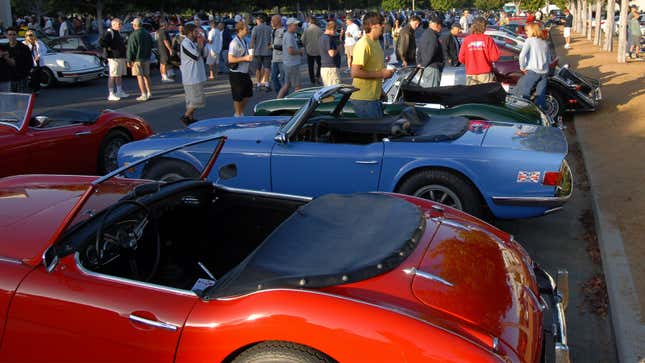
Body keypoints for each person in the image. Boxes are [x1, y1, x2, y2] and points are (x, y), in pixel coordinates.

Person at [350, 12, 394, 119]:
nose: (383, 26)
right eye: (381, 24)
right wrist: (382, 74)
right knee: (374, 134)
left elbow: (373, 68)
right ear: (372, 26)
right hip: (364, 100)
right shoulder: (364, 44)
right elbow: (355, 72)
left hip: (373, 98)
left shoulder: (376, 42)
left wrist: (381, 91)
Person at [513, 22, 551, 110]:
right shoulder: (544, 41)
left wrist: (522, 67)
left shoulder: (530, 40)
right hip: (544, 73)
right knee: (540, 96)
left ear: (533, 30)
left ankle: (524, 113)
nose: (526, 32)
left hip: (533, 71)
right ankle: (543, 115)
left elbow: (522, 55)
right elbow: (549, 58)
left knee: (523, 94)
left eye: (527, 30)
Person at [179, 23, 208, 126]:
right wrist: (200, 46)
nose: (198, 34)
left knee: (191, 100)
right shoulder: (185, 43)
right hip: (191, 77)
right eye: (196, 32)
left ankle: (190, 118)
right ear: (190, 32)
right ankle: (186, 116)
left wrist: (201, 44)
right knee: (197, 100)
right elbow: (195, 56)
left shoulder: (192, 43)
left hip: (196, 76)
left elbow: (203, 55)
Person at [458, 17, 500, 85]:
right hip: (485, 73)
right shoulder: (488, 39)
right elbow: (495, 57)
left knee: (472, 95)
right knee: (485, 94)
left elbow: (461, 58)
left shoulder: (467, 40)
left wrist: (470, 62)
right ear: (484, 27)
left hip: (471, 74)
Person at [227, 21, 253, 117]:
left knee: (248, 93)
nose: (248, 31)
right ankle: (238, 114)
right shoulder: (234, 43)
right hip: (236, 73)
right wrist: (245, 58)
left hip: (244, 71)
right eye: (246, 29)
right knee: (238, 95)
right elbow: (230, 59)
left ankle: (239, 112)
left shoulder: (244, 40)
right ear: (240, 30)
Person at [126, 17, 153, 101]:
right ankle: (149, 93)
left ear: (134, 25)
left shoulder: (133, 35)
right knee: (146, 76)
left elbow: (131, 48)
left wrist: (129, 60)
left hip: (137, 59)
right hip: (146, 57)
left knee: (139, 77)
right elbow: (151, 45)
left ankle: (143, 94)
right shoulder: (147, 33)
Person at [278, 18, 304, 99]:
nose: (296, 26)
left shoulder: (288, 34)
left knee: (287, 85)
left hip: (288, 63)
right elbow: (290, 51)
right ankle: (297, 104)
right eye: (295, 25)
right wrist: (300, 51)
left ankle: (278, 101)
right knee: (298, 87)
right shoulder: (289, 36)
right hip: (292, 64)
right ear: (289, 26)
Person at [416, 17, 444, 88]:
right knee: (432, 92)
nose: (441, 28)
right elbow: (431, 52)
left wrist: (420, 63)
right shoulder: (432, 36)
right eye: (441, 26)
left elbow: (419, 50)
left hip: (427, 66)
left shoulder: (425, 34)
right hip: (432, 67)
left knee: (427, 89)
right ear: (437, 25)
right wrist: (423, 64)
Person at [4, 28, 32, 93]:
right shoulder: (4, 47)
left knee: (22, 97)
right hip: (9, 77)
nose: (12, 36)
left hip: (21, 77)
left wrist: (26, 74)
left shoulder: (24, 47)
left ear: (17, 35)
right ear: (7, 35)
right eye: (10, 34)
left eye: (14, 34)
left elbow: (29, 62)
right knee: (10, 97)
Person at [319, 20, 341, 86]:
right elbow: (331, 53)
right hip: (331, 68)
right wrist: (338, 49)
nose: (335, 32)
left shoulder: (322, 37)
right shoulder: (328, 38)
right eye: (335, 30)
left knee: (328, 91)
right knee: (334, 89)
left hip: (325, 67)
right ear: (332, 29)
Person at [302, 16, 322, 85]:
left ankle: (312, 79)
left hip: (309, 50)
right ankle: (317, 76)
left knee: (310, 65)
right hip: (318, 50)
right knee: (319, 64)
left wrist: (305, 45)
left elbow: (302, 40)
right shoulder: (319, 30)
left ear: (310, 22)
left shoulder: (306, 30)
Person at [270, 15, 286, 93]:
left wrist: (272, 46)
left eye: (273, 20)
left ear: (278, 21)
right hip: (274, 59)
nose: (271, 22)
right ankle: (280, 94)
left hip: (283, 59)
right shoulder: (273, 31)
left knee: (283, 79)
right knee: (273, 78)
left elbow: (285, 46)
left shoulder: (284, 31)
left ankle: (285, 97)